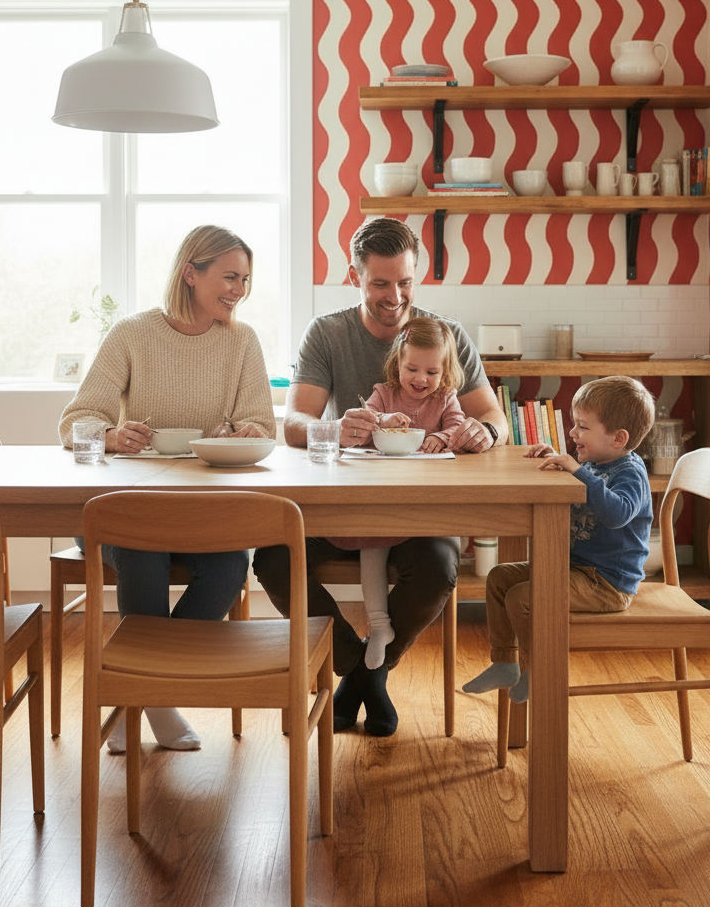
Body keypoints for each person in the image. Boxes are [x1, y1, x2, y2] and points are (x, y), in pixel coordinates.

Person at [253, 216, 508, 737]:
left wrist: (485, 433)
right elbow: (295, 424)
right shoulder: (327, 334)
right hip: (341, 512)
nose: (396, 297)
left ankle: (362, 681)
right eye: (381, 284)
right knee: (274, 560)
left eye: (406, 282)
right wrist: (333, 428)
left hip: (417, 516)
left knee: (439, 566)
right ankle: (360, 669)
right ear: (354, 277)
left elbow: (494, 418)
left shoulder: (445, 336)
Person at [59, 224, 275, 752]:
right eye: (229, 277)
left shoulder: (242, 341)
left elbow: (261, 425)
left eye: (245, 279)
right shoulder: (133, 334)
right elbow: (75, 420)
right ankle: (153, 698)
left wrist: (246, 430)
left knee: (229, 565)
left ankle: (145, 689)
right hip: (125, 511)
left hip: (202, 512)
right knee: (140, 552)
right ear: (190, 273)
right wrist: (110, 434)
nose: (238, 290)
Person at [463, 375, 655, 704]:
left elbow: (617, 513)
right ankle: (505, 662)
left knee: (523, 597)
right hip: (577, 570)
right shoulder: (597, 461)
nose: (572, 433)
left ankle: (537, 669)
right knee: (499, 577)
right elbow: (584, 486)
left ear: (618, 438)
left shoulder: (630, 472)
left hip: (607, 584)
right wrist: (557, 458)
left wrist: (577, 470)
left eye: (582, 427)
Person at [329, 317, 467, 669]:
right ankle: (379, 626)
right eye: (412, 369)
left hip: (422, 504)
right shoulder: (384, 393)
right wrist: (382, 421)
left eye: (432, 372)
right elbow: (368, 419)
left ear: (445, 372)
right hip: (381, 497)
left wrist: (443, 437)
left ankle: (375, 644)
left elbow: (457, 426)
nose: (421, 379)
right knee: (370, 547)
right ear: (398, 364)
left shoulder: (446, 398)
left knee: (420, 562)